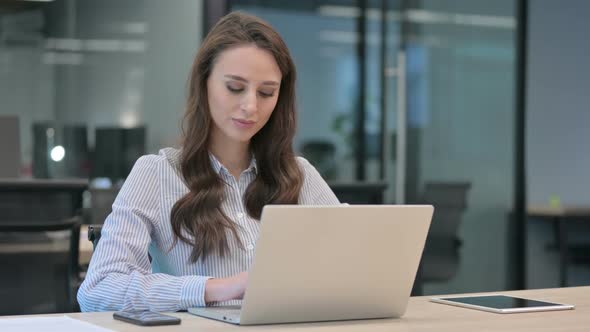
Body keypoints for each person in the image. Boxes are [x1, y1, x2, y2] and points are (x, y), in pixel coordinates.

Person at [77, 11, 340, 312]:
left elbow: (355, 263)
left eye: (267, 92)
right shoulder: (157, 174)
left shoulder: (299, 175)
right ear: (204, 84)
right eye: (235, 88)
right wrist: (219, 288)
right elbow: (98, 290)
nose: (251, 106)